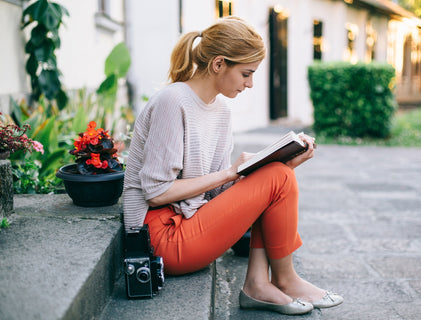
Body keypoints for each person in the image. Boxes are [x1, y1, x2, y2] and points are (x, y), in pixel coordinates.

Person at [123, 16, 343, 315]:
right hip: (161, 237)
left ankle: (259, 283)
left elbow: (216, 193)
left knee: (279, 174)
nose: (250, 84)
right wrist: (230, 173)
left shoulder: (220, 111)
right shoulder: (172, 101)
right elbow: (156, 193)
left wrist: (275, 165)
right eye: (246, 74)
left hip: (192, 221)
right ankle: (284, 279)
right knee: (276, 178)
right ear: (218, 64)